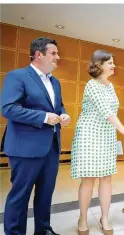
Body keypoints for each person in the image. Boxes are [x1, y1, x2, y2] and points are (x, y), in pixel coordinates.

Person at [1, 37, 70, 235]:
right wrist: (44, 117)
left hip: (51, 147)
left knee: (45, 194)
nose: (58, 57)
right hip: (25, 147)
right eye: (54, 53)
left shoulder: (55, 82)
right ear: (39, 55)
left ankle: (43, 230)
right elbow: (9, 108)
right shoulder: (17, 76)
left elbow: (58, 106)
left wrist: (63, 114)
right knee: (20, 196)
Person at [70, 49, 124, 235]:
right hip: (89, 135)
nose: (114, 66)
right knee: (89, 179)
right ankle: (83, 218)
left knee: (106, 178)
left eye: (113, 62)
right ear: (98, 65)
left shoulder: (110, 86)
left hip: (106, 137)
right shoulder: (92, 85)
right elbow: (107, 112)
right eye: (110, 63)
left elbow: (112, 112)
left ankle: (104, 217)